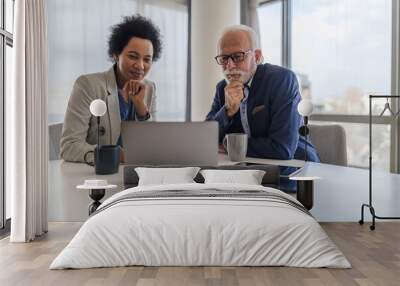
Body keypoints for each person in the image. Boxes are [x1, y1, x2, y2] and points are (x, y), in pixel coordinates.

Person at [206, 25, 319, 161]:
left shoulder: (281, 80)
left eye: (237, 56)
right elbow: (206, 139)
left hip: (295, 169)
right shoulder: (222, 88)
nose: (229, 66)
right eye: (224, 58)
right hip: (248, 167)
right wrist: (227, 111)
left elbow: (282, 149)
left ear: (257, 57)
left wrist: (228, 144)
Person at [60, 15, 162, 163]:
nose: (140, 66)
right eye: (133, 56)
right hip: (97, 175)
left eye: (147, 59)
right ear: (116, 55)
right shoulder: (87, 85)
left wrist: (141, 109)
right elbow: (69, 146)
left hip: (136, 175)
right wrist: (115, 156)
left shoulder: (149, 88)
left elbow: (152, 146)